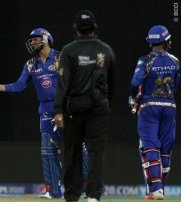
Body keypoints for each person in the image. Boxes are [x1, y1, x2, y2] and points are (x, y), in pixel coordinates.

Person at [0, 28, 88, 199]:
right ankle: (53, 191)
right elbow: (19, 85)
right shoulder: (31, 64)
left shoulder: (61, 57)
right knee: (48, 151)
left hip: (67, 109)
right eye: (31, 40)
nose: (32, 43)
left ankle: (87, 187)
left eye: (35, 39)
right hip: (46, 113)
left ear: (46, 39)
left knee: (79, 148)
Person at [53, 10, 117, 202]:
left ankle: (72, 196)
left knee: (72, 152)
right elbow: (112, 82)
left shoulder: (68, 51)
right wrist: (105, 104)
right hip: (99, 109)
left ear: (76, 29)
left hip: (74, 109)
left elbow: (62, 82)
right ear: (95, 27)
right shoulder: (106, 50)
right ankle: (93, 196)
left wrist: (58, 110)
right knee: (96, 152)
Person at [129, 25, 180, 200]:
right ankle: (158, 189)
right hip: (169, 106)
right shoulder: (175, 61)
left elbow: (135, 83)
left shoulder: (145, 61)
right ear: (165, 41)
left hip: (149, 106)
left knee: (150, 146)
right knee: (165, 150)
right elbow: (176, 84)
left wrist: (134, 98)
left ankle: (156, 189)